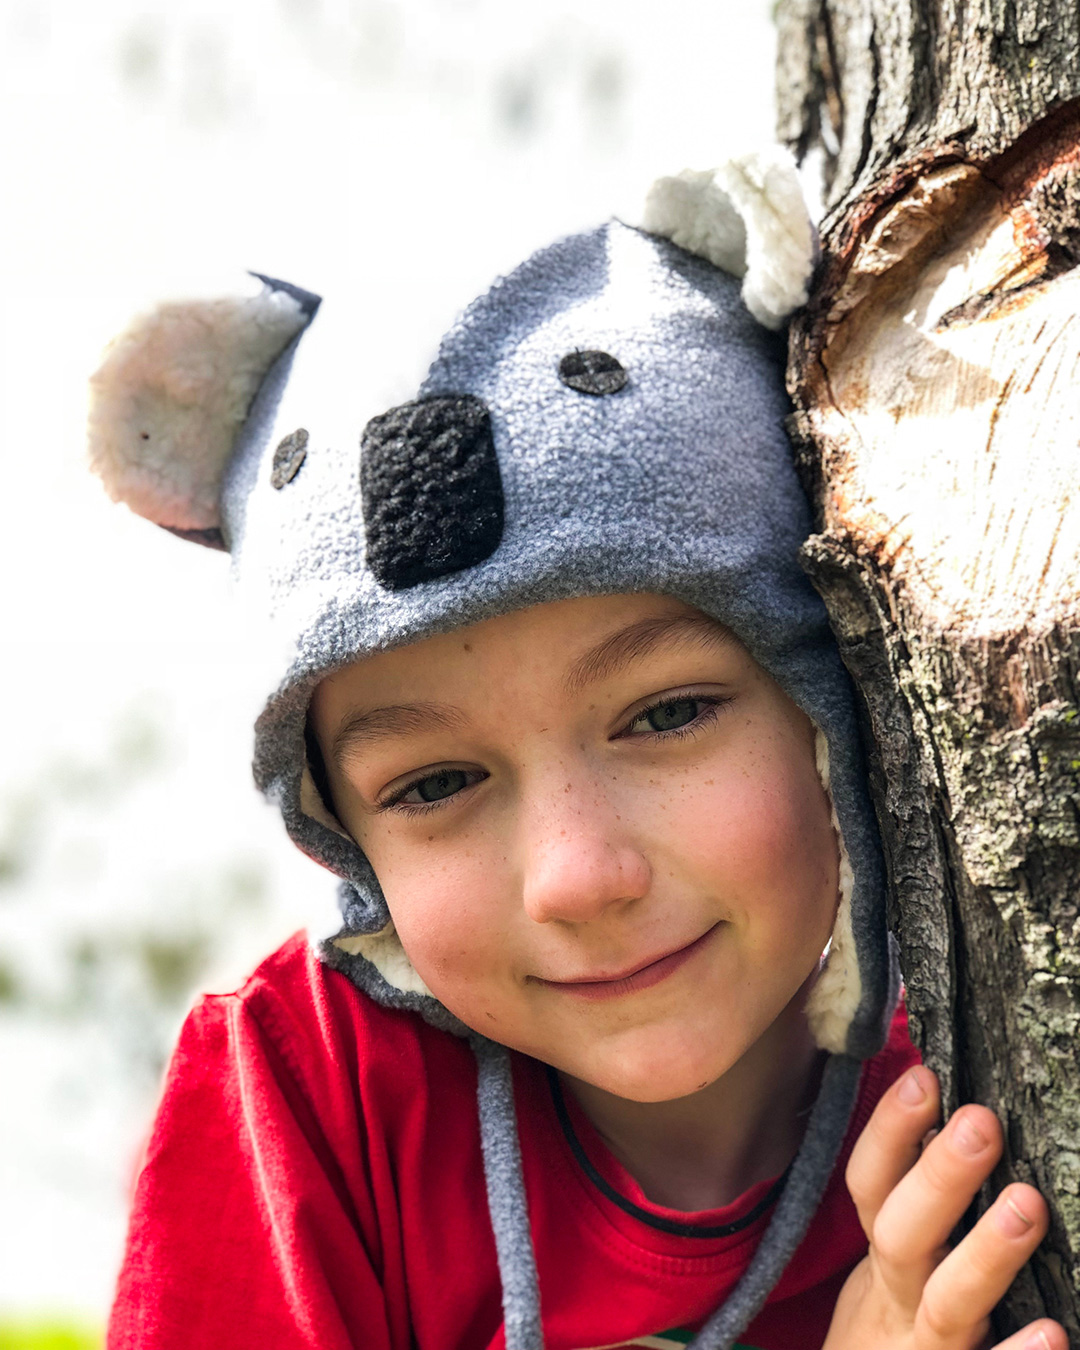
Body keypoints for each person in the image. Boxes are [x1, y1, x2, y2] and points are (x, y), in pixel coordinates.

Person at [89, 152, 1065, 1350]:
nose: (579, 877)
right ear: (344, 839)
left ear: (829, 697)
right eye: (435, 785)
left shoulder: (993, 1063)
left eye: (667, 714)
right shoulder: (301, 1094)